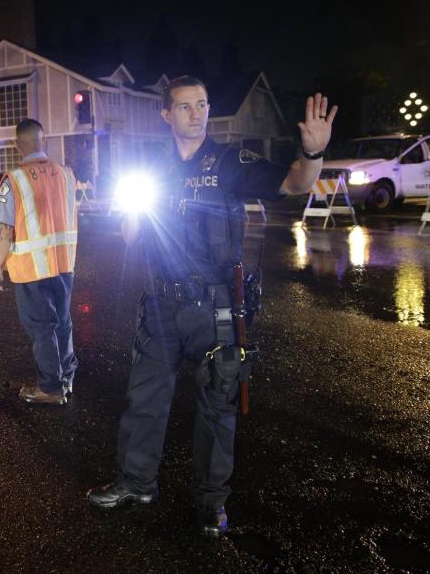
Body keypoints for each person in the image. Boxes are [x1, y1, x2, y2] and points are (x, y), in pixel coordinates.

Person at [87, 76, 337, 537]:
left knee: (216, 407)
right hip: (162, 302)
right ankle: (137, 482)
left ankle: (211, 503)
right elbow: (131, 233)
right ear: (166, 114)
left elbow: (294, 181)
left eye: (202, 104)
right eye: (184, 107)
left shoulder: (229, 162)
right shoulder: (151, 167)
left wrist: (313, 154)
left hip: (216, 305)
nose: (196, 113)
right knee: (144, 400)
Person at [0, 118, 79, 406]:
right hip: (64, 263)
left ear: (17, 145)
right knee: (62, 322)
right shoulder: (66, 174)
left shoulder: (12, 180)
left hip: (30, 269)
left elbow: (4, 229)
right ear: (44, 141)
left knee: (42, 328)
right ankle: (66, 378)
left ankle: (50, 388)